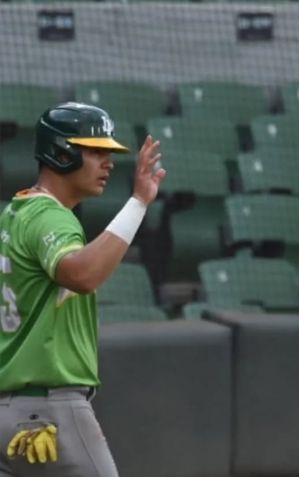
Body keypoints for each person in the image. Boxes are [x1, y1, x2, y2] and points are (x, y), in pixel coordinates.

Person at [0, 102, 165, 476]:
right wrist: (138, 203)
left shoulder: (13, 215)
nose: (107, 162)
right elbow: (81, 274)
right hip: (49, 411)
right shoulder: (49, 216)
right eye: (95, 151)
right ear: (61, 151)